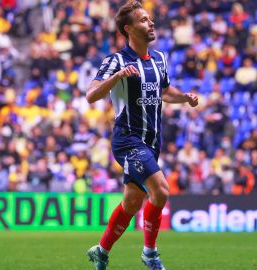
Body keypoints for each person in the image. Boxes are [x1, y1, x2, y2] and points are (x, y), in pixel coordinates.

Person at [86, 1, 198, 269]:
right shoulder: (115, 61)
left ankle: (101, 250)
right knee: (160, 191)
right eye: (144, 20)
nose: (151, 24)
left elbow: (164, 92)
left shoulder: (159, 58)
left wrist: (184, 97)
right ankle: (150, 254)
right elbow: (91, 95)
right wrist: (117, 77)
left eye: (150, 19)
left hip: (151, 142)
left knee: (132, 202)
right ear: (129, 28)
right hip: (128, 140)